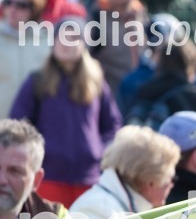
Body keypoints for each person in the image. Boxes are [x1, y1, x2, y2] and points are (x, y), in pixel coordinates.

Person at [9, 16, 122, 207]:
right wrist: (39, 154)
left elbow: (113, 124)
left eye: (74, 37)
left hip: (90, 178)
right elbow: (18, 125)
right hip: (48, 177)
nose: (66, 43)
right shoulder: (37, 80)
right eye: (61, 37)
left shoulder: (96, 82)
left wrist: (98, 152)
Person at [0, 0, 51, 119]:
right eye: (8, 2)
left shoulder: (48, 41)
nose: (13, 9)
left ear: (35, 9)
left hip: (33, 131)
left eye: (21, 5)